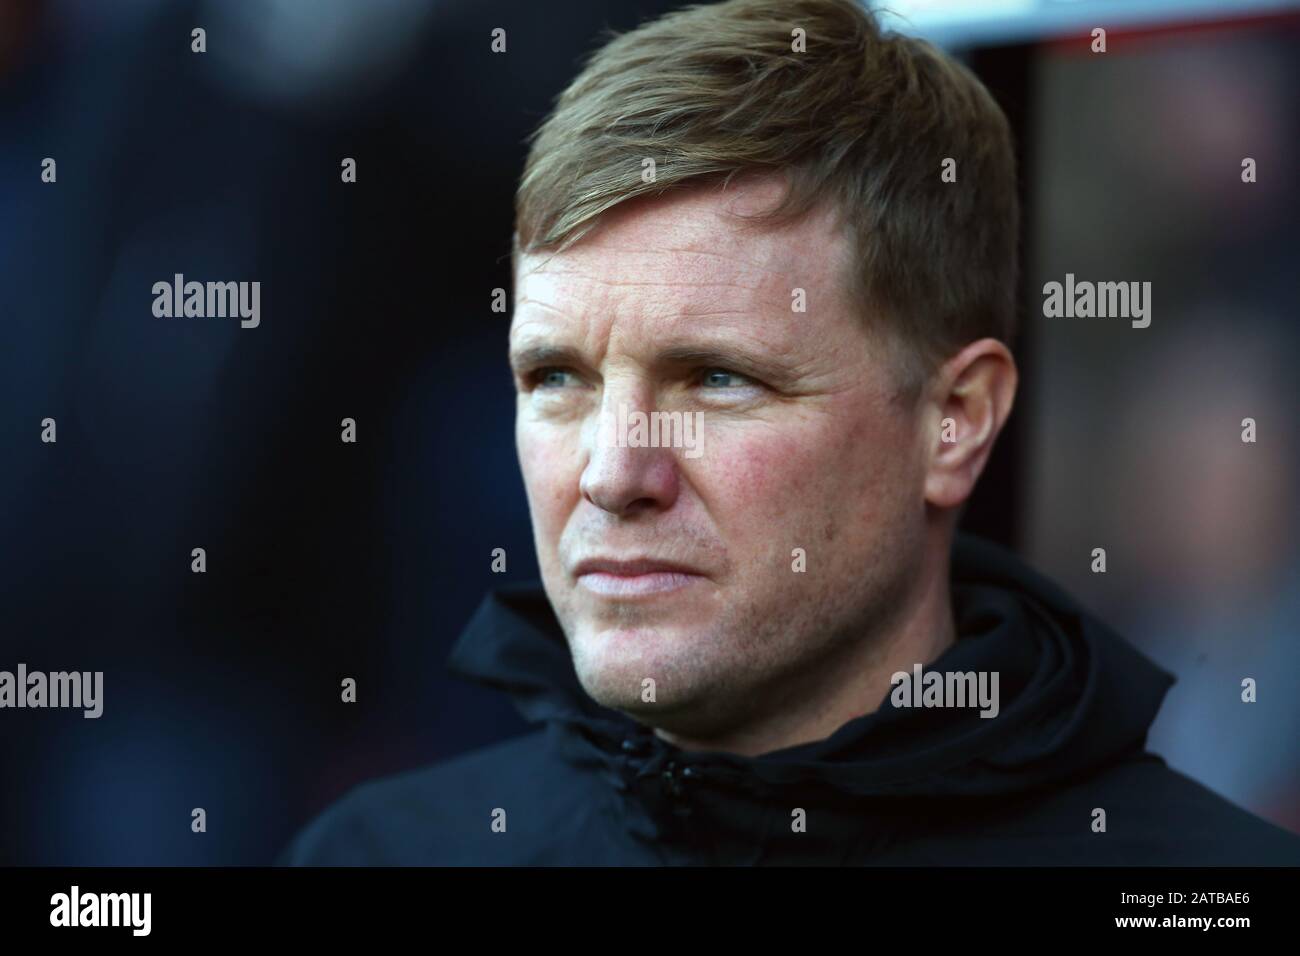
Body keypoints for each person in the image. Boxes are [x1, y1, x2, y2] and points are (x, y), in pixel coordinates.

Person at [279, 0, 1300, 865]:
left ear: (956, 422)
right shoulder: (376, 852)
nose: (609, 472)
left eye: (717, 377)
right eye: (557, 377)